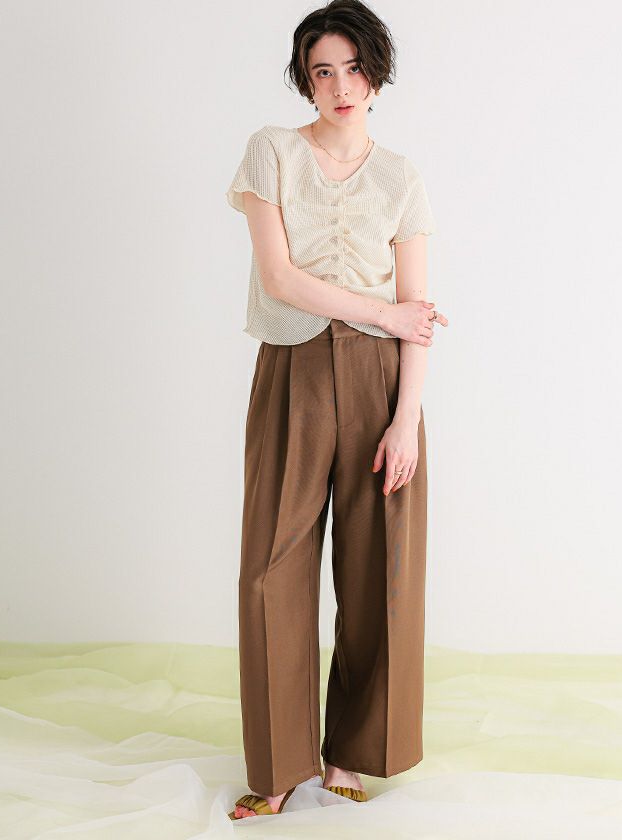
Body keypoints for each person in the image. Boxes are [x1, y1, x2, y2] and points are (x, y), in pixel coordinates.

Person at [225, 0, 447, 821]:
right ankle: (278, 766)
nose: (341, 86)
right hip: (293, 368)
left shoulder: (402, 177)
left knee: (379, 568)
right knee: (271, 568)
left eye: (354, 69)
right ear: (305, 82)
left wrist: (406, 418)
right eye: (323, 71)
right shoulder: (273, 151)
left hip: (381, 380)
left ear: (377, 76)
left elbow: (419, 313)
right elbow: (280, 278)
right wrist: (383, 312)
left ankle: (350, 752)